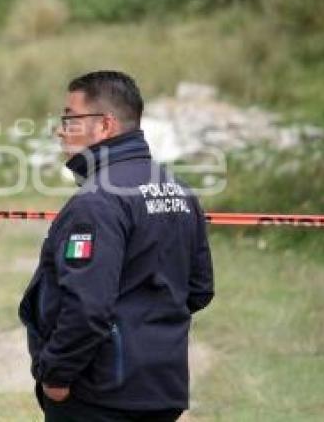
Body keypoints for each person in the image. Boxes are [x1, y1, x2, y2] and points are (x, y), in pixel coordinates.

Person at [18, 71, 214, 422]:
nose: (61, 129)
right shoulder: (178, 188)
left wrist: (58, 374)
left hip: (101, 396)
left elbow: (86, 307)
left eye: (69, 117)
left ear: (104, 126)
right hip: (161, 389)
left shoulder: (97, 202)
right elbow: (198, 290)